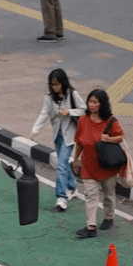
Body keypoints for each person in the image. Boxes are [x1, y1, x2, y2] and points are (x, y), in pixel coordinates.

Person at [30, 68, 85, 212]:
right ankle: (72, 187)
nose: (55, 87)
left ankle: (61, 198)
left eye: (57, 84)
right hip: (57, 135)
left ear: (63, 82)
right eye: (52, 84)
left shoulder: (72, 95)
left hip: (70, 135)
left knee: (60, 165)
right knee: (63, 163)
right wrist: (35, 129)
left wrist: (69, 112)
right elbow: (44, 113)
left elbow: (84, 110)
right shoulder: (49, 97)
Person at [71, 89, 124, 239]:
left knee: (108, 194)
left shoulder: (111, 121)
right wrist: (76, 159)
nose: (92, 105)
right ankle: (91, 227)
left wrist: (108, 139)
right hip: (88, 165)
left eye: (95, 102)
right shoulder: (83, 120)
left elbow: (121, 137)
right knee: (90, 196)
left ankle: (108, 217)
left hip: (107, 165)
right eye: (90, 101)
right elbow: (79, 142)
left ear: (102, 104)